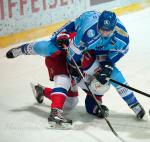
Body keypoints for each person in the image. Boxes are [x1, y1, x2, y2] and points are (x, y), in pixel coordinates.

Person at [6, 10, 145, 120]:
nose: (104, 33)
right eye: (101, 29)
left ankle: (135, 105)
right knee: (51, 48)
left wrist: (108, 65)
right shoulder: (88, 32)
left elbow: (117, 54)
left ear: (114, 28)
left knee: (110, 75)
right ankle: (24, 49)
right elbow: (72, 58)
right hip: (76, 35)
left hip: (97, 50)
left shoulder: (122, 38)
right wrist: (76, 73)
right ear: (98, 25)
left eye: (107, 31)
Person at [6, 32, 109, 129]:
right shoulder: (74, 38)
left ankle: (42, 90)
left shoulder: (99, 44)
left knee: (71, 103)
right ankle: (55, 114)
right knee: (64, 79)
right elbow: (41, 47)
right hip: (59, 60)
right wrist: (21, 49)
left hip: (78, 66)